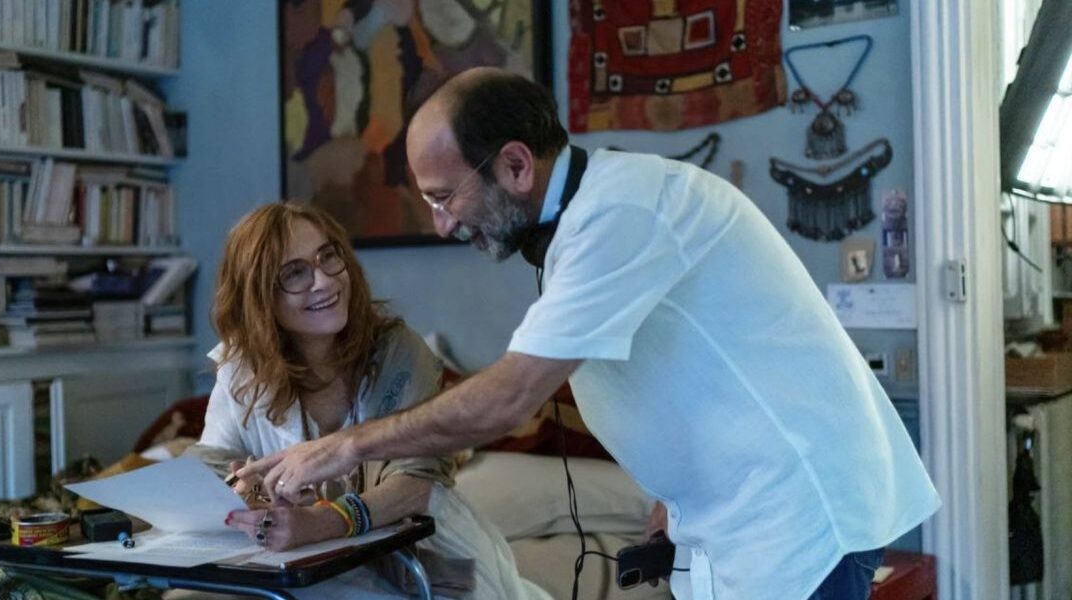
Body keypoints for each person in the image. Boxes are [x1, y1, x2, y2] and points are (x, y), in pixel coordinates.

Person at [239, 68, 941, 600]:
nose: (442, 224)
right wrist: (669, 492)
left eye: (445, 197)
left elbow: (509, 399)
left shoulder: (621, 213)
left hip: (798, 519)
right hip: (728, 518)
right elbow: (682, 359)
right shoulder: (587, 221)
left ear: (517, 165)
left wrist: (346, 445)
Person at [187, 202, 549, 600]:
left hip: (423, 559)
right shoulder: (242, 368)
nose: (324, 281)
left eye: (327, 256)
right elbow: (214, 466)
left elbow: (417, 482)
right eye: (294, 273)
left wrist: (320, 522)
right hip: (305, 565)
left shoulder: (396, 352)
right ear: (259, 297)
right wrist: (260, 503)